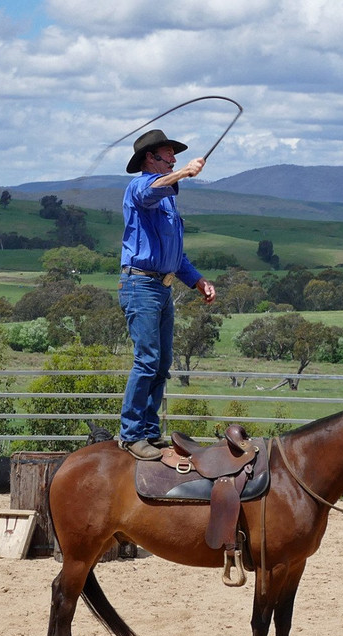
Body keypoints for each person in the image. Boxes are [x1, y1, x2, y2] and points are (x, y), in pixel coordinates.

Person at [117, 129, 216, 460]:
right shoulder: (140, 187)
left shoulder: (169, 200)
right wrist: (185, 172)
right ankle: (131, 435)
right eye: (167, 155)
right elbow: (150, 191)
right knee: (146, 360)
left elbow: (176, 254)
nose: (173, 158)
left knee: (161, 363)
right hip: (140, 285)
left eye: (175, 156)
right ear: (150, 158)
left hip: (162, 286)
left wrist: (198, 280)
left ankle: (148, 431)